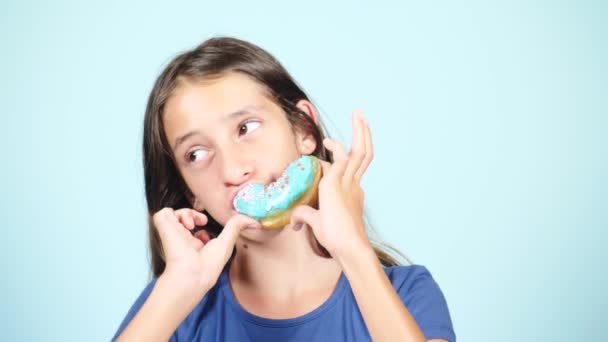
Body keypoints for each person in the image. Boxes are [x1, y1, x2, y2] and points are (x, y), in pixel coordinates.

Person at [112, 37, 456, 342]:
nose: (233, 170)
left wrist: (355, 253)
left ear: (304, 129)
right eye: (197, 154)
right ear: (191, 194)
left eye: (246, 128)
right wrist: (177, 289)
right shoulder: (173, 311)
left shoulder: (408, 294)